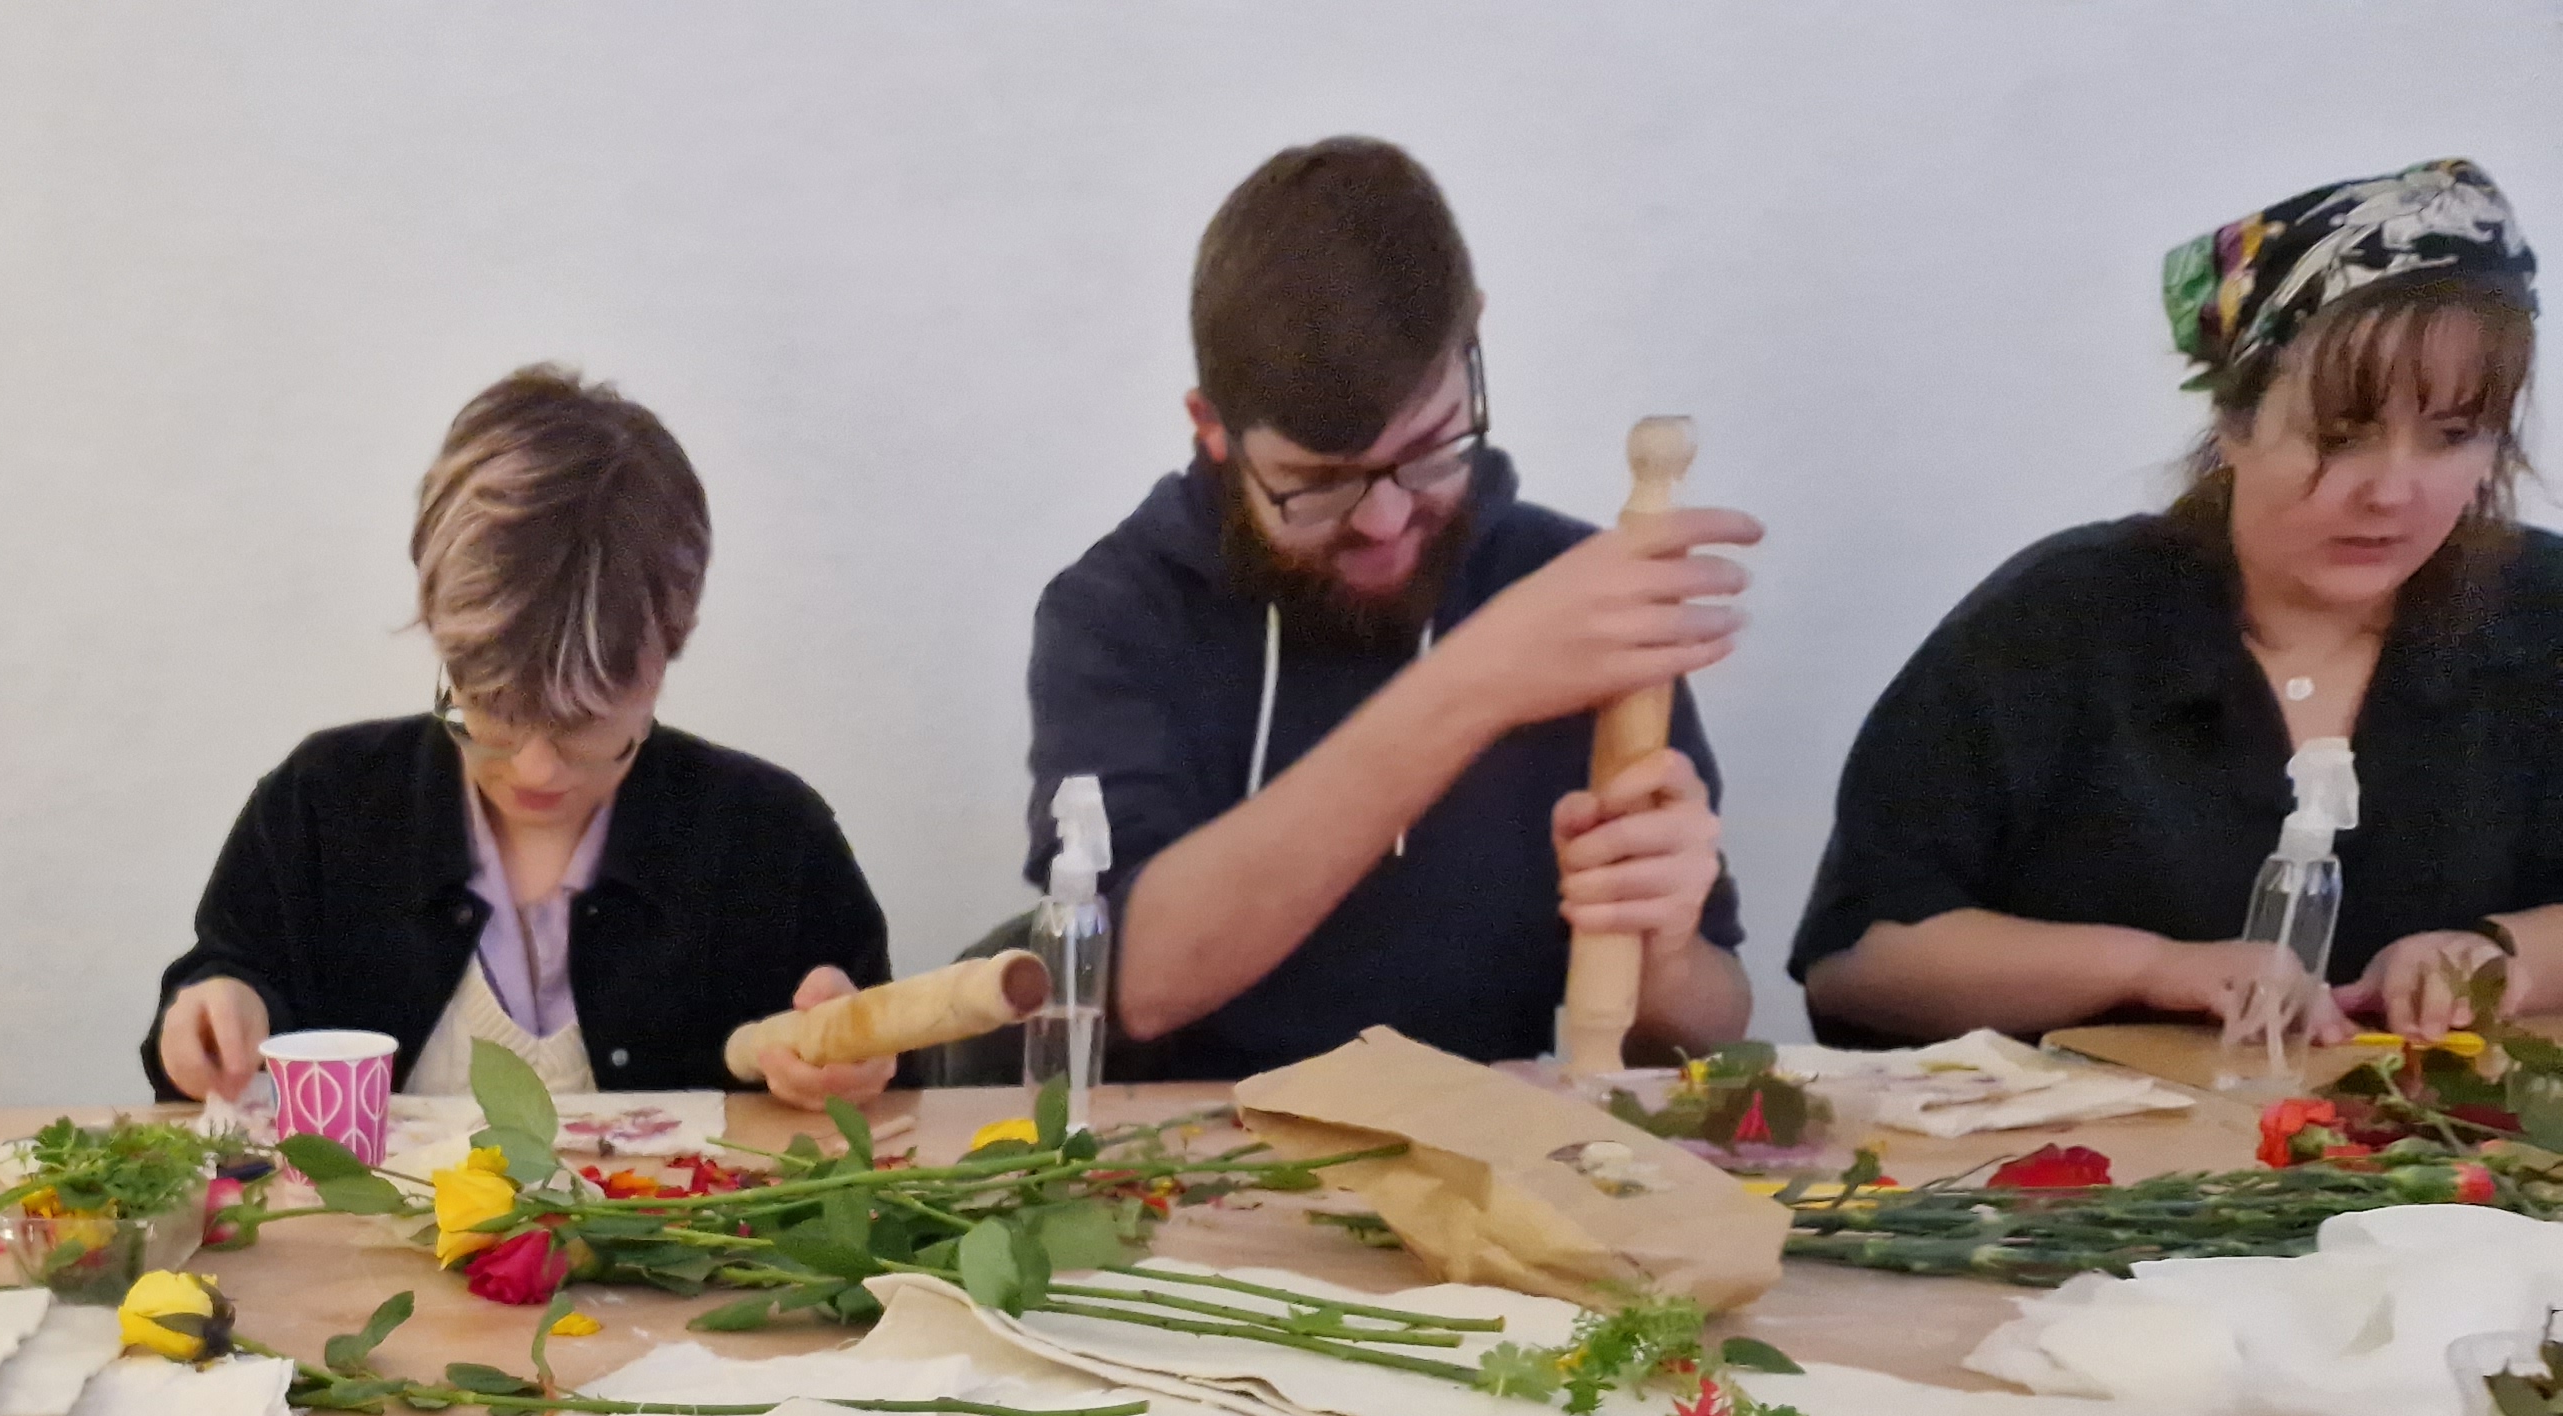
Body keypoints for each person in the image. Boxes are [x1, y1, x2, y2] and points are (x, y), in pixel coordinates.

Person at [1023, 137, 1756, 1084]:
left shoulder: (1574, 599)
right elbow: (1133, 981)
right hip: (1187, 1152)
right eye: (1318, 483)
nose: (1385, 521)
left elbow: (1705, 1034)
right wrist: (1478, 682)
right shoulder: (1118, 612)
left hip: (1492, 1148)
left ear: (1473, 343)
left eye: (1428, 451)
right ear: (1211, 428)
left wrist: (1667, 944)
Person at [1798, 159, 2558, 1047]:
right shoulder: (2063, 620)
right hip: (2104, 1135)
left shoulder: (2540, 615)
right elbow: (1861, 962)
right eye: (2339, 437)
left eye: (2453, 436)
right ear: (2233, 423)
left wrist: (2502, 954)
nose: (2391, 494)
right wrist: (2151, 970)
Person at [149, 367, 893, 1110]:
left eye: (583, 724)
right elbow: (214, 1006)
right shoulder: (320, 808)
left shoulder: (773, 842)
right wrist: (212, 1015)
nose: (535, 768)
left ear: (666, 653)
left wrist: (858, 1062)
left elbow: (899, 1090)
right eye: (494, 710)